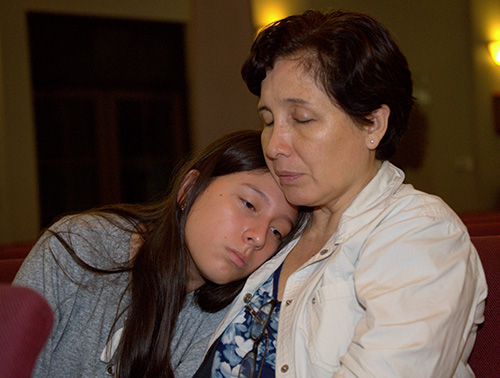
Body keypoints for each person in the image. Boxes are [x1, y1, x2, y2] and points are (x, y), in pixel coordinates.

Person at [197, 10, 487, 378]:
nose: (274, 145)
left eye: (302, 119)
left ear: (373, 124)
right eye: (268, 121)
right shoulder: (281, 228)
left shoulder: (420, 234)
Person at [13, 129, 308, 378]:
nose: (257, 236)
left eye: (277, 232)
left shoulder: (233, 319)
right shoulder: (79, 246)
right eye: (248, 204)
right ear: (189, 190)